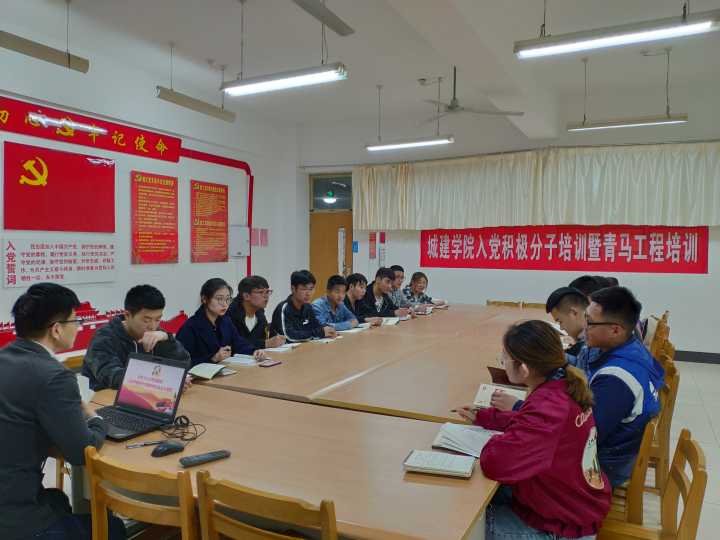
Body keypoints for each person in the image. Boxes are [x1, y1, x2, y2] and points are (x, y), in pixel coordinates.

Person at [456, 320, 610, 540]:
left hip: (557, 527)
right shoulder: (562, 386)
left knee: (460, 525)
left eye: (504, 359)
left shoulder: (548, 405)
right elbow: (537, 425)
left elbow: (495, 463)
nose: (503, 363)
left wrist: (496, 439)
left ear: (524, 369)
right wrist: (489, 417)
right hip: (570, 503)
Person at [0, 283, 126, 540]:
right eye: (75, 320)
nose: (78, 327)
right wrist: (96, 418)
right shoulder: (54, 376)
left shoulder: (5, 357)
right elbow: (81, 452)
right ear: (56, 329)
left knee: (58, 500)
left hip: (10, 492)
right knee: (113, 529)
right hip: (16, 517)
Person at [576, 286, 664, 487]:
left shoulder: (616, 379)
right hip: (619, 453)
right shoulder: (632, 347)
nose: (583, 327)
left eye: (589, 322)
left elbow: (585, 438)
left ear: (615, 330)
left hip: (604, 467)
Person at [83, 285, 190, 390]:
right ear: (127, 315)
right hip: (106, 398)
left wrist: (166, 338)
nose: (153, 326)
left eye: (158, 319)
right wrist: (161, 380)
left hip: (148, 395)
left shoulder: (157, 334)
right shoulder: (104, 337)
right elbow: (112, 377)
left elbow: (184, 363)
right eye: (146, 320)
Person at [176, 278, 267, 367]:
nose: (224, 304)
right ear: (204, 299)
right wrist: (213, 358)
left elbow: (239, 343)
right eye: (219, 299)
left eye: (227, 299)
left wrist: (255, 351)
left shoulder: (226, 321)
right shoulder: (190, 327)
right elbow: (180, 363)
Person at [271, 270, 336, 341]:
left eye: (311, 289)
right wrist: (320, 332)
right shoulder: (283, 308)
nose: (308, 293)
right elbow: (288, 337)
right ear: (293, 289)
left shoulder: (308, 307)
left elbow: (316, 326)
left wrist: (327, 329)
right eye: (304, 289)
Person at [227, 275, 286, 349]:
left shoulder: (260, 314)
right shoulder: (230, 314)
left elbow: (263, 338)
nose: (266, 296)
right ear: (246, 296)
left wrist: (276, 340)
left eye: (267, 292)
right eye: (261, 292)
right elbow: (234, 345)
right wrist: (265, 344)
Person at [546, 287, 589, 357]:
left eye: (560, 321)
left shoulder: (591, 345)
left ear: (573, 313)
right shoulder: (586, 339)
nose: (561, 328)